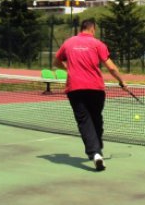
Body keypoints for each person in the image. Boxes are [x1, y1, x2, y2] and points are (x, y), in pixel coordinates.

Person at [54, 18, 127, 171]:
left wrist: (68, 69)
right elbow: (111, 67)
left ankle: (95, 152)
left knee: (85, 121)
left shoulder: (68, 43)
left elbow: (56, 62)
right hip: (96, 89)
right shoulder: (97, 44)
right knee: (95, 119)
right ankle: (96, 151)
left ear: (81, 28)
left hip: (75, 89)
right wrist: (122, 81)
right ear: (93, 29)